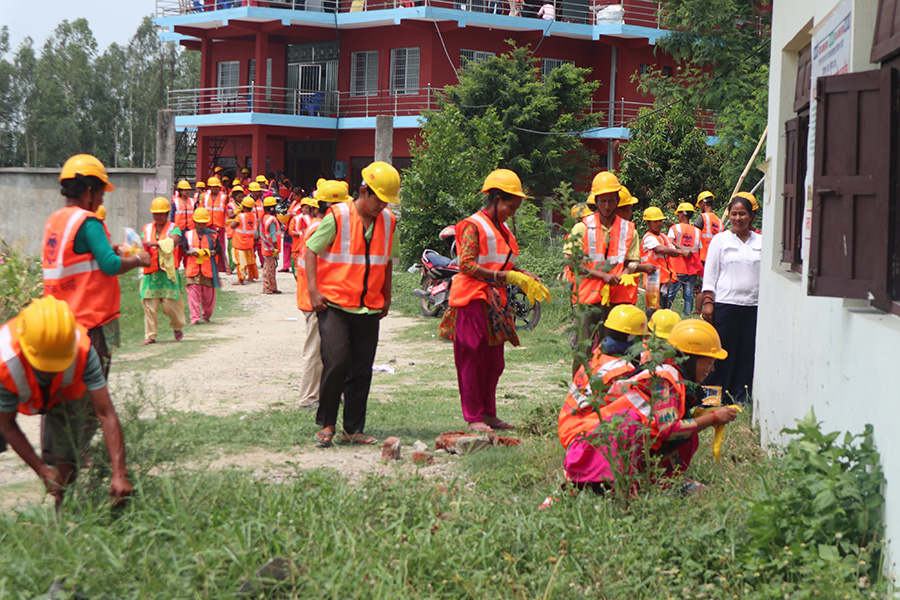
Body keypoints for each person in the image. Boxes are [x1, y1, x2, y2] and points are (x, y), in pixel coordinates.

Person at [564, 319, 739, 493]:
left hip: (606, 447)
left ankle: (659, 481)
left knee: (689, 435)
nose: (712, 369)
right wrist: (713, 418)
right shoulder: (665, 380)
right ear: (691, 358)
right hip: (591, 451)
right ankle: (630, 491)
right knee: (635, 423)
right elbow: (669, 429)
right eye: (709, 361)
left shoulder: (673, 376)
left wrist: (702, 419)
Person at [438, 169, 549, 433]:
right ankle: (474, 417)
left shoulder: (503, 228)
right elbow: (466, 265)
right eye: (510, 206)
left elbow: (503, 262)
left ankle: (489, 414)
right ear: (496, 197)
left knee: (494, 362)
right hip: (471, 300)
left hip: (495, 302)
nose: (512, 212)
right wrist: (505, 276)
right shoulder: (472, 225)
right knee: (472, 359)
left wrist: (522, 275)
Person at [0, 297, 132, 507]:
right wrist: (42, 471)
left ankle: (64, 510)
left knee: (67, 454)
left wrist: (119, 472)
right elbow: (6, 424)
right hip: (8, 388)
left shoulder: (82, 350)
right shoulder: (4, 358)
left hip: (64, 392)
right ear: (27, 349)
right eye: (45, 366)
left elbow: (106, 413)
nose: (51, 371)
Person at [305, 164, 401, 446]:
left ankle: (354, 429)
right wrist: (313, 291)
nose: (381, 206)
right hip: (334, 304)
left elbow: (387, 263)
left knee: (362, 368)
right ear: (362, 191)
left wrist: (387, 296)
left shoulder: (389, 221)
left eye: (386, 201)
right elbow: (311, 250)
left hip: (369, 307)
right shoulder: (338, 215)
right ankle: (326, 424)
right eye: (378, 199)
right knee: (336, 362)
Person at [42, 154, 149, 378]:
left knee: (61, 389)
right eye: (101, 194)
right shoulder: (88, 221)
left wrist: (109, 247)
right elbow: (110, 265)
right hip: (90, 321)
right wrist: (140, 260)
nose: (101, 201)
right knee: (91, 389)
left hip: (56, 320)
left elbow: (75, 257)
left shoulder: (55, 220)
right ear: (90, 191)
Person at [569, 171, 641, 377]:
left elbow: (631, 262)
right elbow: (575, 263)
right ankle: (578, 391)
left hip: (617, 300)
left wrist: (624, 274)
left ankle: (608, 390)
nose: (607, 206)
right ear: (596, 201)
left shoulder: (630, 230)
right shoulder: (581, 229)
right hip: (589, 298)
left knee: (613, 349)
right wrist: (602, 276)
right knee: (583, 350)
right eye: (603, 201)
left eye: (611, 201)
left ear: (618, 201)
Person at [558, 304, 647, 451]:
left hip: (569, 426)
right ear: (634, 338)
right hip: (580, 437)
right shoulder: (621, 372)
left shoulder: (599, 355)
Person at [699, 193, 761, 404]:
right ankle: (711, 398)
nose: (737, 218)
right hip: (725, 305)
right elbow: (711, 271)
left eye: (742, 214)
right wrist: (708, 301)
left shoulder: (761, 242)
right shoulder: (720, 240)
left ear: (751, 216)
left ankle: (740, 398)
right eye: (733, 214)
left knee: (746, 354)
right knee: (720, 353)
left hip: (753, 306)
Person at [295, 187, 333, 410]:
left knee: (323, 348)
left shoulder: (314, 226)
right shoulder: (321, 229)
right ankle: (309, 397)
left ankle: (321, 393)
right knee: (314, 349)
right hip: (314, 298)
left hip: (310, 295)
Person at [140, 197, 185, 346]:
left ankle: (177, 327)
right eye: (155, 214)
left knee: (171, 305)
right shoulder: (146, 228)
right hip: (150, 271)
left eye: (161, 213)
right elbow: (141, 244)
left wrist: (155, 243)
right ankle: (150, 335)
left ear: (167, 213)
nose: (158, 216)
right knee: (149, 305)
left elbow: (174, 241)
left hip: (168, 273)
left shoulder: (174, 227)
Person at [641, 207, 689, 312]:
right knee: (653, 310)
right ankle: (650, 328)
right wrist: (681, 252)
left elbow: (672, 251)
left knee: (663, 308)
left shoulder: (663, 237)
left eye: (660, 221)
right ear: (648, 224)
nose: (659, 224)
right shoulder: (648, 238)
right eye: (655, 221)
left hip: (664, 279)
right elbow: (659, 249)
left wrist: (680, 251)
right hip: (652, 278)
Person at [184, 207, 221, 324]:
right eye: (199, 223)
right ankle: (194, 318)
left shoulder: (213, 235)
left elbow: (218, 249)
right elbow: (184, 249)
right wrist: (191, 253)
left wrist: (210, 253)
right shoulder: (188, 235)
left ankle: (207, 316)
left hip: (208, 270)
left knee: (208, 298)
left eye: (203, 223)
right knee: (193, 297)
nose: (201, 226)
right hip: (192, 270)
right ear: (195, 222)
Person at [666, 202, 702, 315]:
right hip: (691, 269)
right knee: (689, 294)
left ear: (682, 214)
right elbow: (698, 249)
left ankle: (665, 313)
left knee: (671, 294)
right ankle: (688, 315)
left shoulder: (674, 228)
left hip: (676, 267)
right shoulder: (697, 231)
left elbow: (669, 244)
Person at [203, 176, 231, 274]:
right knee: (207, 246)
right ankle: (207, 266)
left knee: (221, 246)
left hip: (219, 225)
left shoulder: (224, 197)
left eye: (216, 187)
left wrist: (226, 225)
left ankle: (223, 267)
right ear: (209, 187)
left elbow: (226, 211)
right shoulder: (204, 197)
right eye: (212, 187)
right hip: (207, 225)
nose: (214, 188)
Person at [230, 196, 259, 285]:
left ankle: (241, 279)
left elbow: (232, 225)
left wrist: (237, 212)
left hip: (240, 243)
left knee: (240, 262)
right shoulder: (254, 216)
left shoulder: (240, 216)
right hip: (250, 242)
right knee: (250, 260)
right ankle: (251, 276)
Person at [260, 197, 282, 294]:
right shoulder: (272, 220)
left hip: (266, 246)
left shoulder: (264, 218)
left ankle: (272, 287)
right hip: (271, 248)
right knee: (269, 269)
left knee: (271, 268)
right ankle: (267, 287)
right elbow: (273, 236)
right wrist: (275, 248)